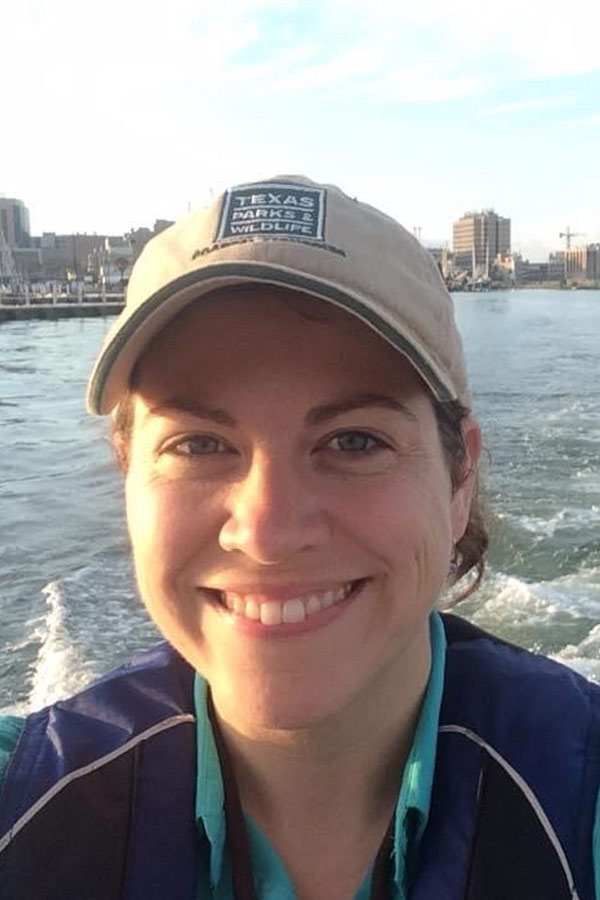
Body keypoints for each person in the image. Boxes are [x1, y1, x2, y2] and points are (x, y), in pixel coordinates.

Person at [0, 175, 598, 900]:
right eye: (197, 445)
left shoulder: (580, 790)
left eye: (353, 440)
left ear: (458, 477)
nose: (269, 534)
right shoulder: (26, 798)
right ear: (128, 474)